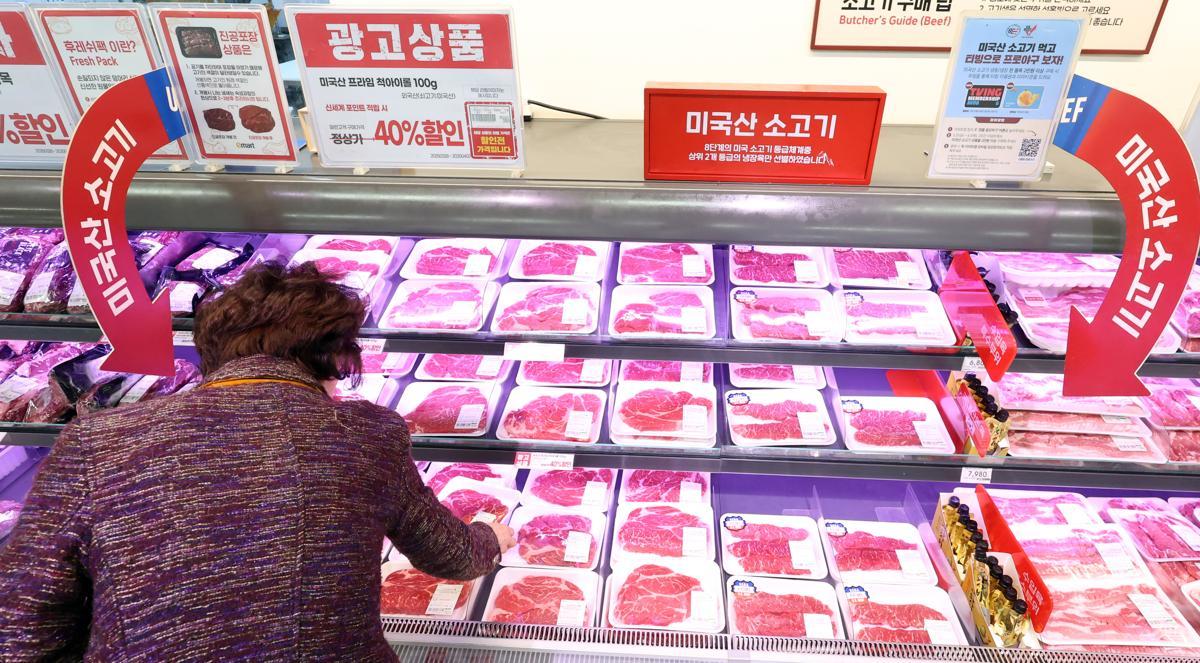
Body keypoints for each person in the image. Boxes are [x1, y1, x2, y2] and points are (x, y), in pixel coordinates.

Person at [0, 262, 514, 661]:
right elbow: (451, 556)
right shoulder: (367, 433)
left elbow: (23, 619)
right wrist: (490, 537)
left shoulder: (96, 439)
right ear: (336, 358)